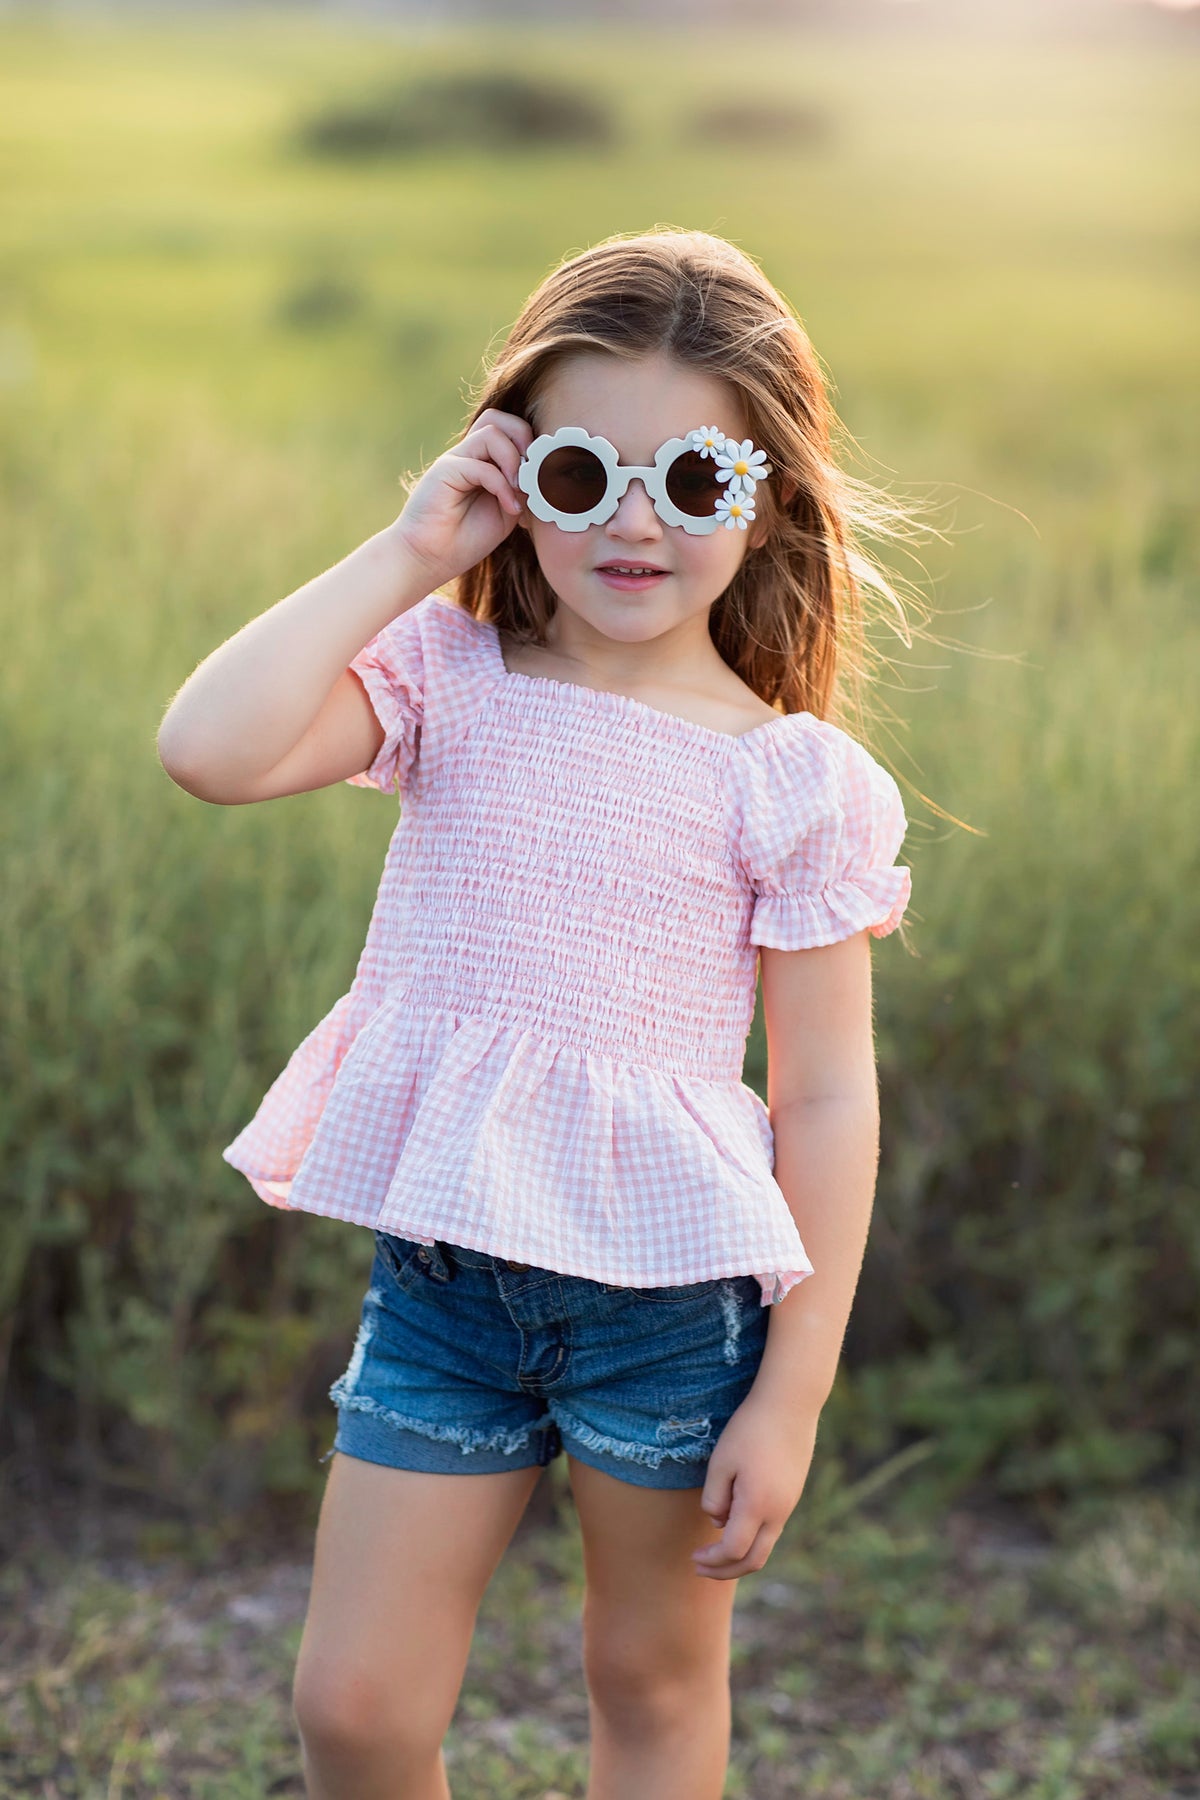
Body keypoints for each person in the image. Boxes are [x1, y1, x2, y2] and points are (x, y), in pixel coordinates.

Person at [157, 226, 922, 1800]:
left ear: (765, 496)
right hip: (446, 1286)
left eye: (694, 483)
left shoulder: (788, 778)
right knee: (356, 1710)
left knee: (645, 1679)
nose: (634, 523)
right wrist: (407, 554)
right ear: (518, 476)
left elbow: (828, 1094)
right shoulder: (447, 670)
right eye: (583, 477)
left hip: (669, 1309)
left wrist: (794, 1388)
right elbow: (210, 749)